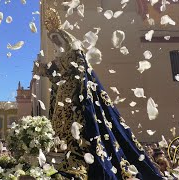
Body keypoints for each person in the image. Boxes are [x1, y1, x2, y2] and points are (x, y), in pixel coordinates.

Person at [33, 8, 161, 180]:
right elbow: (54, 74)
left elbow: (79, 70)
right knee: (60, 123)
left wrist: (54, 67)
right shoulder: (59, 58)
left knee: (76, 124)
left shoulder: (75, 53)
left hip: (75, 93)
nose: (56, 44)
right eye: (54, 41)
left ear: (65, 38)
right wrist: (43, 70)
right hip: (63, 94)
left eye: (58, 39)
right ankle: (62, 151)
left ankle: (77, 155)